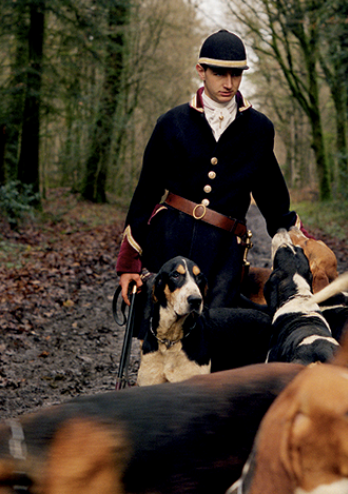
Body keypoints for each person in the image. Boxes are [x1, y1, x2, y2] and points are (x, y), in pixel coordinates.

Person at [116, 29, 297, 309]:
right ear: (201, 70)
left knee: (212, 338)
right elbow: (147, 191)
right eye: (219, 74)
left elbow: (272, 195)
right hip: (169, 243)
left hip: (225, 253)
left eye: (236, 75)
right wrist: (128, 262)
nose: (229, 83)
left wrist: (295, 239)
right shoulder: (171, 123)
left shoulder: (258, 129)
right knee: (160, 337)